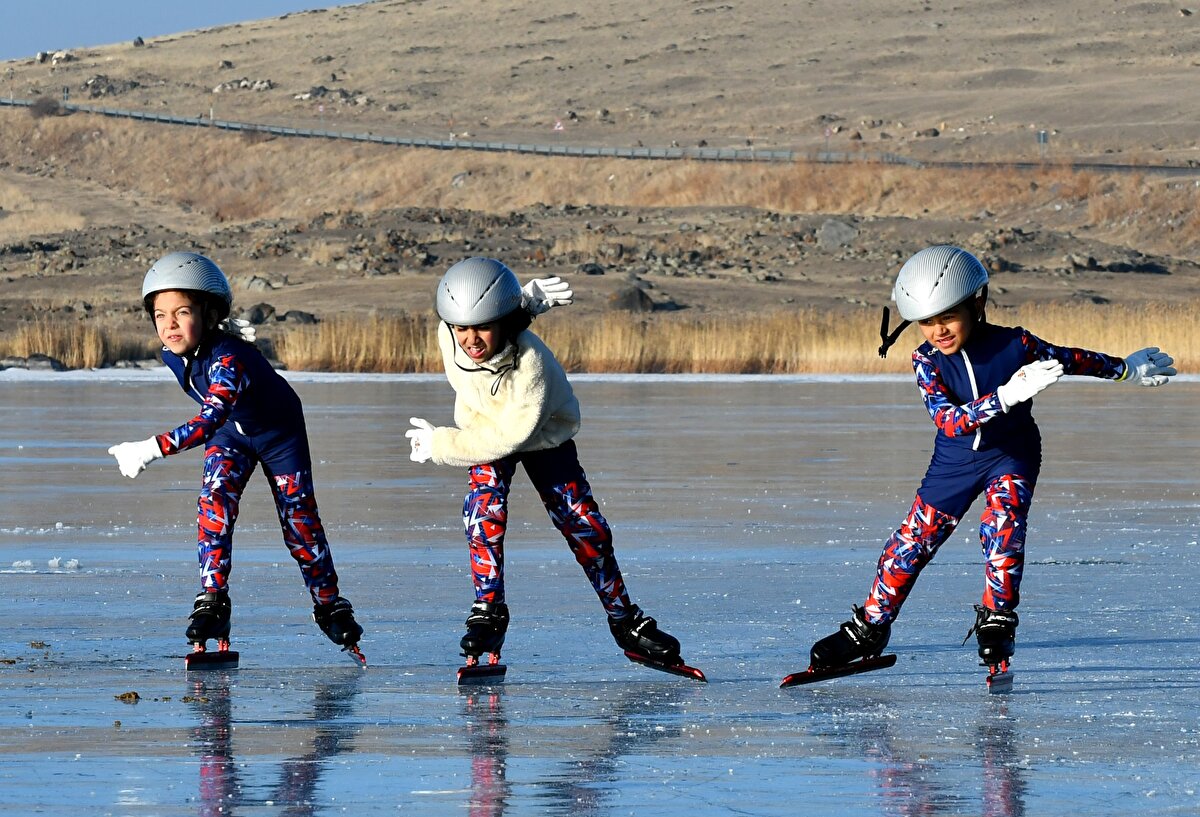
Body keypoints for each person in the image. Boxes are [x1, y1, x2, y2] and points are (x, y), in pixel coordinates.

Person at [810, 245, 1176, 673]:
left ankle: (998, 618)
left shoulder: (1014, 344)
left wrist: (1124, 370)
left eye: (947, 317)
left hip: (1011, 454)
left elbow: (1069, 359)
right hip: (955, 462)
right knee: (910, 545)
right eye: (926, 321)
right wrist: (1003, 397)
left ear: (977, 303)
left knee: (1003, 533)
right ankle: (870, 628)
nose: (937, 331)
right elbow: (948, 422)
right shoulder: (925, 361)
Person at [405, 257, 687, 668]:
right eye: (461, 328)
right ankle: (488, 610)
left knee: (585, 525)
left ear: (505, 323)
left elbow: (506, 438)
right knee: (484, 512)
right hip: (484, 425)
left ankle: (625, 621)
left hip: (540, 434)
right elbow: (487, 333)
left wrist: (441, 444)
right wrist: (524, 305)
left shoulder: (531, 364)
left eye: (482, 327)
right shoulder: (449, 333)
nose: (469, 340)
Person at [106, 252, 364, 662]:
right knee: (214, 503)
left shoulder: (230, 358)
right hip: (232, 433)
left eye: (182, 312)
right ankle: (212, 601)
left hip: (279, 435)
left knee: (299, 521)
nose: (169, 325)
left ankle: (330, 604)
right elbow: (217, 420)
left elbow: (209, 418)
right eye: (160, 315)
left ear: (210, 316)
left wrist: (151, 447)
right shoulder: (173, 355)